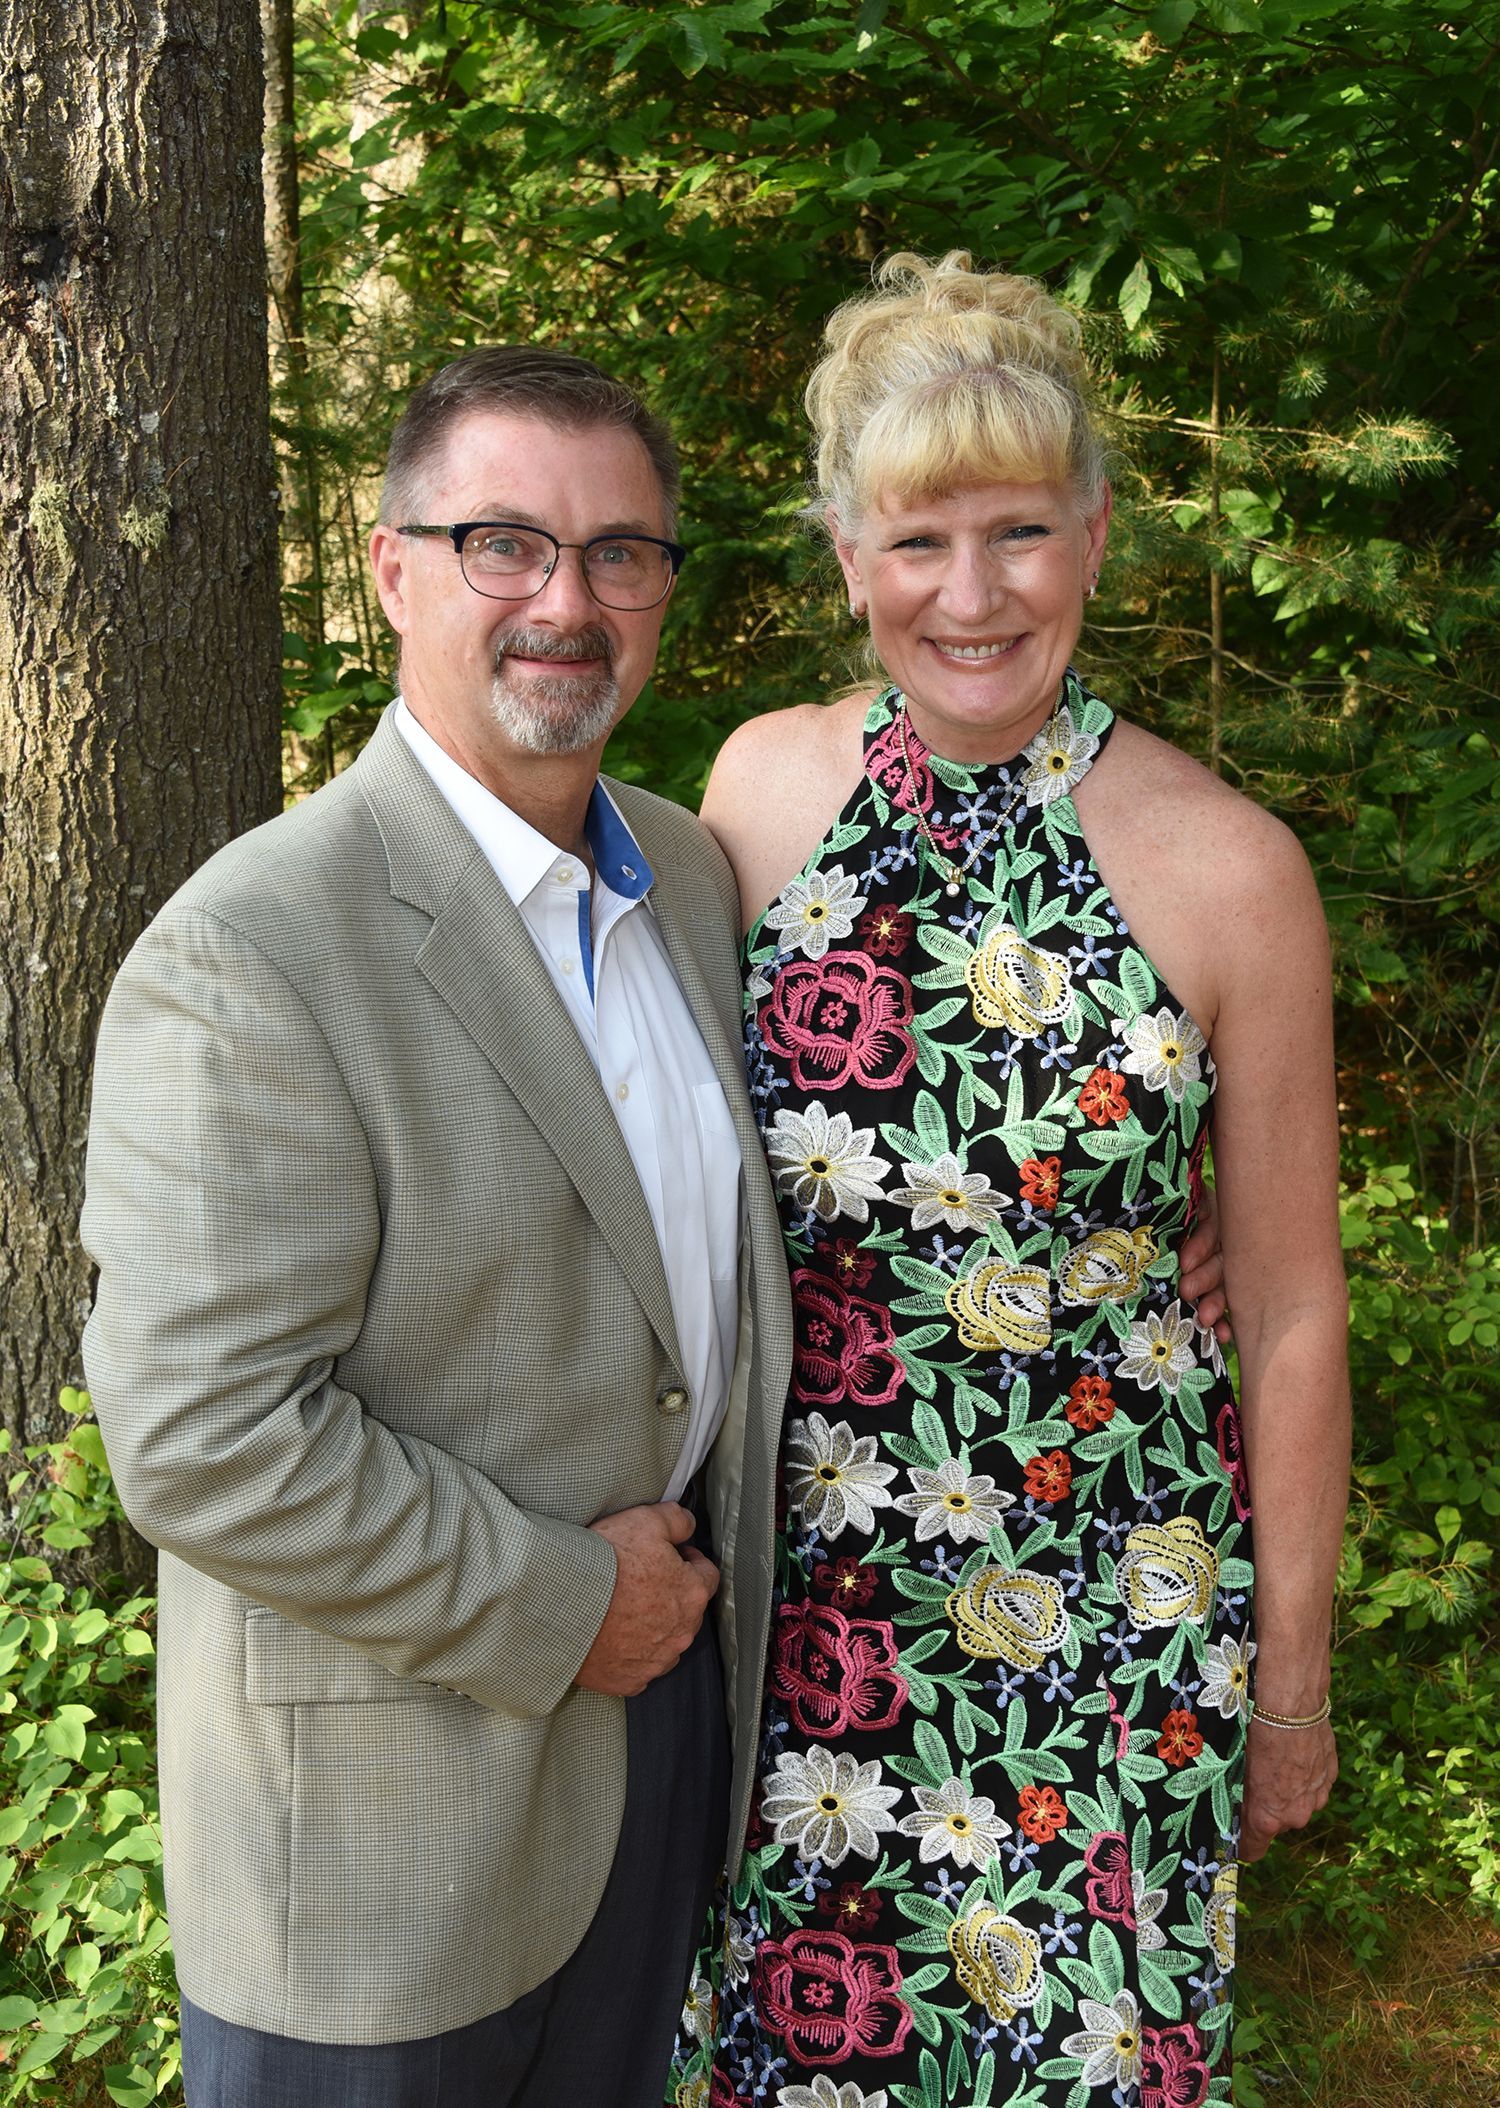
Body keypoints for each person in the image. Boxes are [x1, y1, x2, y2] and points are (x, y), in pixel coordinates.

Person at [79, 348, 798, 2108]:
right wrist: (568, 1605)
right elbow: (204, 1436)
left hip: (655, 1764)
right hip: (380, 1847)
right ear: (393, 569)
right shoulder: (255, 946)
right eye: (504, 543)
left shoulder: (688, 880)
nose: (568, 601)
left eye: (621, 552)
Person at [669, 254, 1349, 2107]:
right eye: (918, 540)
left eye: (1021, 533)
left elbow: (1294, 1308)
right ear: (848, 558)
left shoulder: (1232, 870)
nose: (971, 596)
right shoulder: (755, 800)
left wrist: (1289, 1685)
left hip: (1119, 1617)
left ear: (1098, 540)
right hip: (811, 1626)